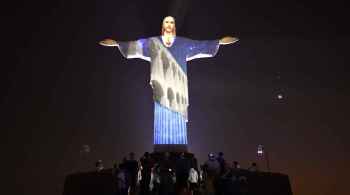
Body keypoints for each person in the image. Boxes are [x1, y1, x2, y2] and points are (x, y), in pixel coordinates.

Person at [99, 16, 239, 146]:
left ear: (174, 26)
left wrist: (219, 42)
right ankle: (161, 146)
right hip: (161, 85)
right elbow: (136, 45)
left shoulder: (183, 43)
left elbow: (201, 45)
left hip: (179, 86)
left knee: (177, 111)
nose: (169, 24)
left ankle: (179, 146)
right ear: (162, 25)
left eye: (172, 22)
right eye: (166, 22)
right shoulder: (153, 42)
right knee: (162, 111)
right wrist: (118, 44)